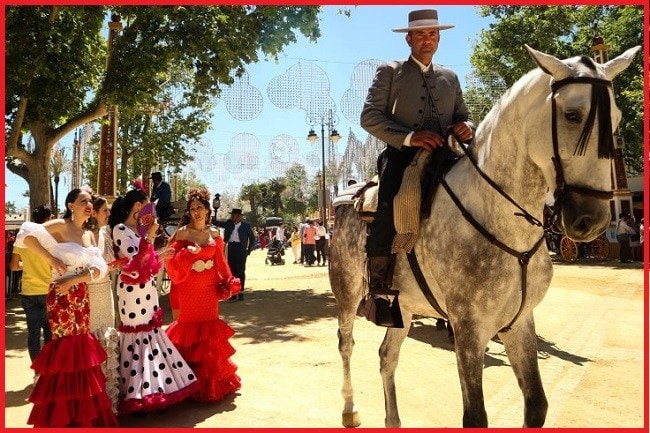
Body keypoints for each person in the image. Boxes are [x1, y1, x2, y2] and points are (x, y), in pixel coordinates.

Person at [360, 9, 474, 327]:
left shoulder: (450, 77)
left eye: (433, 34)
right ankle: (380, 290)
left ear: (439, 38)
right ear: (409, 39)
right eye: (421, 35)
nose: (427, 40)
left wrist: (466, 126)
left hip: (447, 156)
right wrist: (410, 137)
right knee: (386, 208)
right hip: (402, 156)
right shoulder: (390, 71)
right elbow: (369, 117)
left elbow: (464, 114)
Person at [15, 188, 118, 427]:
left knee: (82, 348)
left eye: (90, 201)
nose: (88, 204)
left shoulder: (89, 235)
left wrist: (76, 279)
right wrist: (51, 259)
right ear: (71, 205)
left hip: (82, 295)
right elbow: (26, 236)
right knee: (64, 349)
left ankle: (79, 414)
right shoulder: (60, 225)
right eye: (83, 201)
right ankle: (60, 416)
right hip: (61, 296)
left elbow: (99, 269)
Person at [109, 181, 198, 414]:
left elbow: (146, 262)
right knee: (137, 333)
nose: (150, 213)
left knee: (151, 331)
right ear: (138, 206)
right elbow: (134, 264)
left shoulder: (137, 232)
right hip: (132, 292)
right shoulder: (120, 229)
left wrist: (160, 254)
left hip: (146, 290)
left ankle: (157, 388)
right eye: (147, 207)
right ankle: (138, 393)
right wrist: (149, 238)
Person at [165, 188, 242, 402]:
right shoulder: (181, 234)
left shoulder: (215, 235)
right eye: (192, 209)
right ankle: (185, 383)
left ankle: (211, 384)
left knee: (209, 331)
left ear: (208, 210)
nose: (196, 211)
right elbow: (169, 263)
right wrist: (186, 256)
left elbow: (221, 263)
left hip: (209, 290)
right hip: (189, 288)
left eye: (199, 207)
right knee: (188, 329)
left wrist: (229, 281)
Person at [84, 193, 121, 413]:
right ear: (95, 213)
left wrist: (114, 266)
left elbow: (107, 263)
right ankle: (92, 399)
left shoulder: (106, 233)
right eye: (105, 210)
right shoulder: (85, 235)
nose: (109, 213)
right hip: (89, 292)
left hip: (105, 289)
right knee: (91, 342)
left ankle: (108, 400)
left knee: (106, 339)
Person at [9, 205, 53, 381]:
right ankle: (49, 369)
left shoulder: (21, 240)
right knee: (50, 333)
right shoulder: (50, 239)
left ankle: (37, 373)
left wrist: (26, 265)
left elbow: (13, 266)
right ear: (49, 218)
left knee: (33, 333)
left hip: (28, 291)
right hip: (48, 291)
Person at [214, 208, 256, 301]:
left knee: (240, 271)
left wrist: (248, 250)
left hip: (241, 249)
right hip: (231, 247)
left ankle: (240, 292)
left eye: (235, 215)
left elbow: (252, 239)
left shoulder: (246, 226)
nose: (233, 217)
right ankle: (233, 293)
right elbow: (217, 223)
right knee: (231, 270)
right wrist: (211, 217)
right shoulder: (229, 223)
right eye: (232, 215)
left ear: (239, 217)